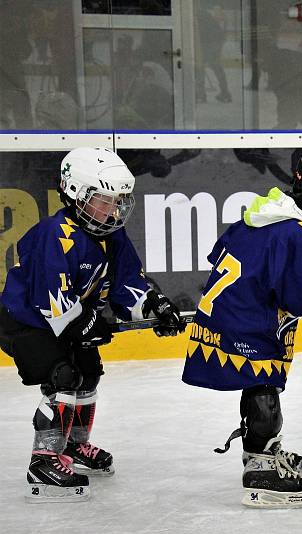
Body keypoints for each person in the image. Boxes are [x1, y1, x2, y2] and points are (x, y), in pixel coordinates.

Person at [181, 144, 302, 508]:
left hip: (230, 318)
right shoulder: (295, 231)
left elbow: (225, 254)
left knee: (259, 387)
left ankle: (261, 453)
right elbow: (299, 297)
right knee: (264, 390)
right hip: (245, 326)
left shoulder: (268, 215)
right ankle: (261, 471)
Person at [0, 147, 186, 502]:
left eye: (117, 201)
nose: (112, 209)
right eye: (103, 200)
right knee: (63, 376)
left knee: (88, 373)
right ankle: (43, 460)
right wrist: (85, 324)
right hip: (24, 321)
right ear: (75, 193)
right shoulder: (53, 234)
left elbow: (128, 284)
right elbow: (51, 302)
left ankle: (72, 447)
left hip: (66, 320)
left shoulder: (110, 234)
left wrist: (154, 306)